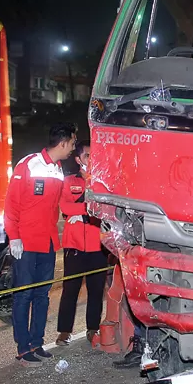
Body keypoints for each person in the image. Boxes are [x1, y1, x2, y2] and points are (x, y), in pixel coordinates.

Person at [4, 122, 78, 367]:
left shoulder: (58, 169)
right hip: (25, 243)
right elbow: (12, 204)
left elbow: (57, 204)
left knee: (42, 296)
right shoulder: (28, 164)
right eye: (73, 143)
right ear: (64, 142)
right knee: (23, 296)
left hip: (47, 243)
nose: (73, 149)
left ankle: (37, 342)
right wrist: (13, 236)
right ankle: (23, 348)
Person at [56, 143, 109, 347]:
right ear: (78, 159)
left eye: (94, 155)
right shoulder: (69, 181)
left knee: (96, 291)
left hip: (98, 243)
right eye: (87, 155)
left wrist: (80, 212)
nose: (91, 158)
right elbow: (65, 206)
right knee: (70, 289)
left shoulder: (103, 182)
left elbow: (105, 207)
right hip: (75, 244)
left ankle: (93, 329)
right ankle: (64, 331)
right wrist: (87, 209)